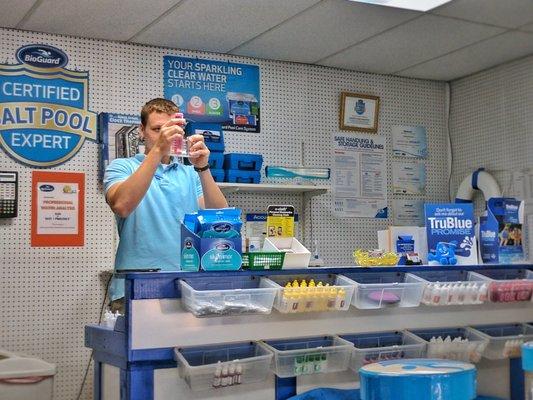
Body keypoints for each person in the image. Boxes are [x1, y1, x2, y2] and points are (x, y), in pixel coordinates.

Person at [104, 98, 228, 311]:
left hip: (186, 284)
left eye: (171, 130)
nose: (164, 136)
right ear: (142, 131)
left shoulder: (190, 174)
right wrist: (157, 151)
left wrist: (203, 168)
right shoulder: (121, 167)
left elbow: (221, 218)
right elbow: (122, 205)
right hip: (135, 287)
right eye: (157, 129)